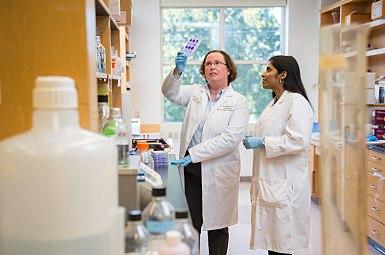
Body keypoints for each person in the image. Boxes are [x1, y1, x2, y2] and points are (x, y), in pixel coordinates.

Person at [162, 50, 249, 255]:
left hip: (219, 170)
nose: (212, 67)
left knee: (218, 226)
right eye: (208, 63)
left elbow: (230, 139)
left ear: (228, 70)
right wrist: (176, 72)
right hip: (192, 169)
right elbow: (169, 93)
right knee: (192, 223)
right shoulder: (195, 92)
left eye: (217, 63)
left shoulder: (238, 101)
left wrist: (195, 153)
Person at [242, 55, 313, 255]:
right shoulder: (274, 102)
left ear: (282, 75)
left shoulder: (296, 102)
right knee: (274, 244)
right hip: (272, 181)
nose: (263, 74)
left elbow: (298, 141)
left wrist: (263, 141)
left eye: (268, 70)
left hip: (285, 184)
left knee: (282, 245)